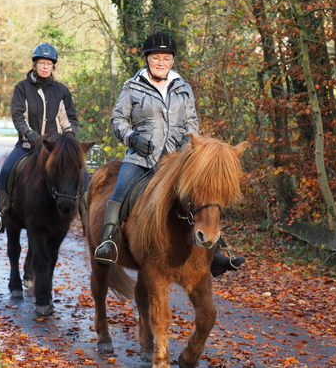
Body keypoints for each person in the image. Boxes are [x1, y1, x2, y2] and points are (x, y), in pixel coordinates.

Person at [93, 31, 245, 277]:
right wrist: (132, 138)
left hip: (176, 159)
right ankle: (108, 242)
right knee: (121, 190)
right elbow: (118, 119)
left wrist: (190, 148)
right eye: (156, 58)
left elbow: (192, 123)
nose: (161, 62)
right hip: (141, 158)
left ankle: (216, 250)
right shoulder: (132, 87)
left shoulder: (183, 88)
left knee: (205, 192)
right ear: (147, 59)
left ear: (172, 60)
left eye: (166, 58)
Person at [0, 42, 79, 232]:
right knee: (6, 170)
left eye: (49, 64)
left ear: (54, 66)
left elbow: (69, 118)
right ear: (34, 65)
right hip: (28, 145)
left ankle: (85, 216)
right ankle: (1, 213)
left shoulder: (62, 91)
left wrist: (68, 138)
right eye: (41, 63)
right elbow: (18, 116)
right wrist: (30, 134)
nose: (45, 67)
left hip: (56, 150)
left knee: (82, 174)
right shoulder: (22, 88)